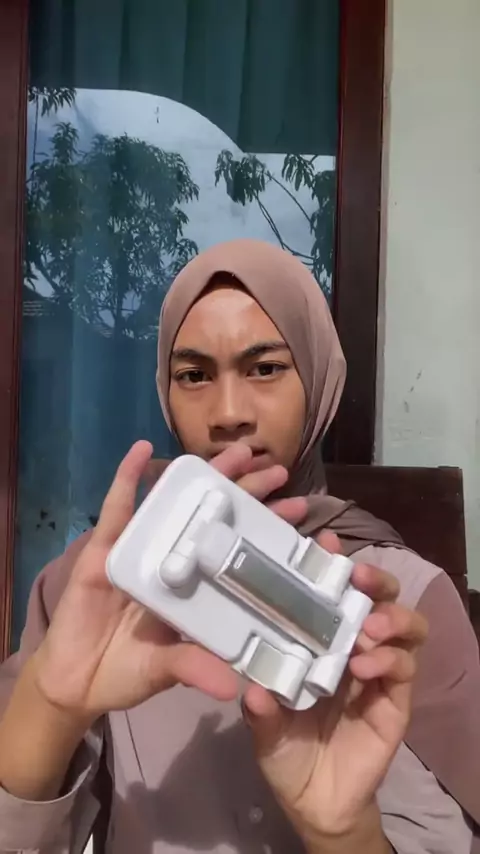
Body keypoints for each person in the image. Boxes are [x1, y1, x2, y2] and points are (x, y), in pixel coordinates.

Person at [0, 239, 478, 854]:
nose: (228, 413)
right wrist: (50, 706)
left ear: (319, 379)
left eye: (265, 368)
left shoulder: (401, 606)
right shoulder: (100, 587)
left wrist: (342, 833)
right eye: (194, 375)